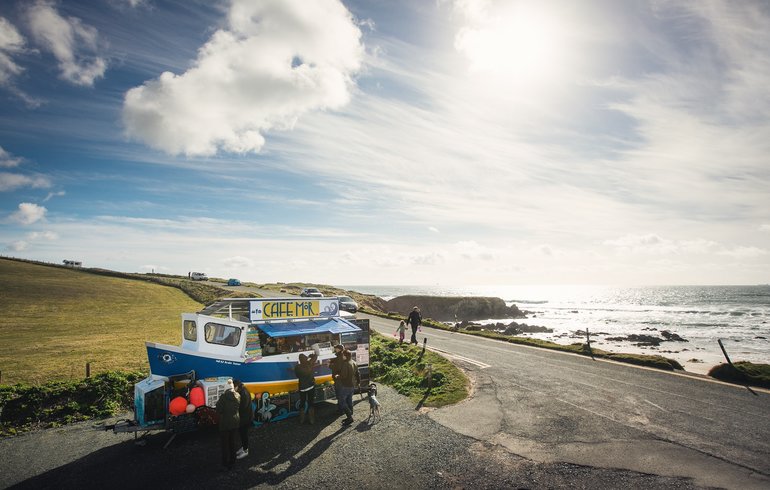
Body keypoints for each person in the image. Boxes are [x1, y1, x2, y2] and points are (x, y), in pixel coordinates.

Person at [215, 378, 240, 470]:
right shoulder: (238, 395)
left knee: (224, 444)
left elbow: (218, 409)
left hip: (225, 423)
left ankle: (225, 463)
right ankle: (233, 460)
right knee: (232, 442)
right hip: (235, 421)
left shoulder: (223, 397)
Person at [334, 349, 360, 425]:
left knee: (342, 401)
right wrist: (358, 382)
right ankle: (350, 414)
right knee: (349, 400)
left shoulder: (346, 364)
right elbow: (358, 373)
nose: (342, 356)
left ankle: (349, 417)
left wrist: (337, 376)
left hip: (345, 385)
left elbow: (343, 376)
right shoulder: (354, 362)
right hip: (352, 385)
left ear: (345, 356)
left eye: (343, 355)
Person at [294, 352, 319, 424]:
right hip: (310, 386)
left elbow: (297, 376)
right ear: (305, 358)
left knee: (302, 402)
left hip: (302, 387)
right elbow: (315, 356)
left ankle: (301, 420)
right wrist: (309, 356)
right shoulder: (309, 363)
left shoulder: (297, 367)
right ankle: (312, 420)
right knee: (311, 402)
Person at [233, 379, 253, 459]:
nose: (233, 389)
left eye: (234, 387)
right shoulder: (243, 391)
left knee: (243, 434)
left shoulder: (243, 393)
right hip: (245, 417)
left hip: (245, 418)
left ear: (237, 386)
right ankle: (244, 447)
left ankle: (245, 451)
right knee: (242, 434)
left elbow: (242, 407)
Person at [329, 344, 345, 414]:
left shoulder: (340, 356)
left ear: (339, 349)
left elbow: (337, 367)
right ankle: (341, 408)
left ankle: (341, 410)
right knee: (340, 394)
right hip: (339, 378)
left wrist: (329, 365)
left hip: (339, 378)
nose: (335, 349)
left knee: (340, 394)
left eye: (336, 348)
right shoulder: (340, 355)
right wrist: (332, 360)